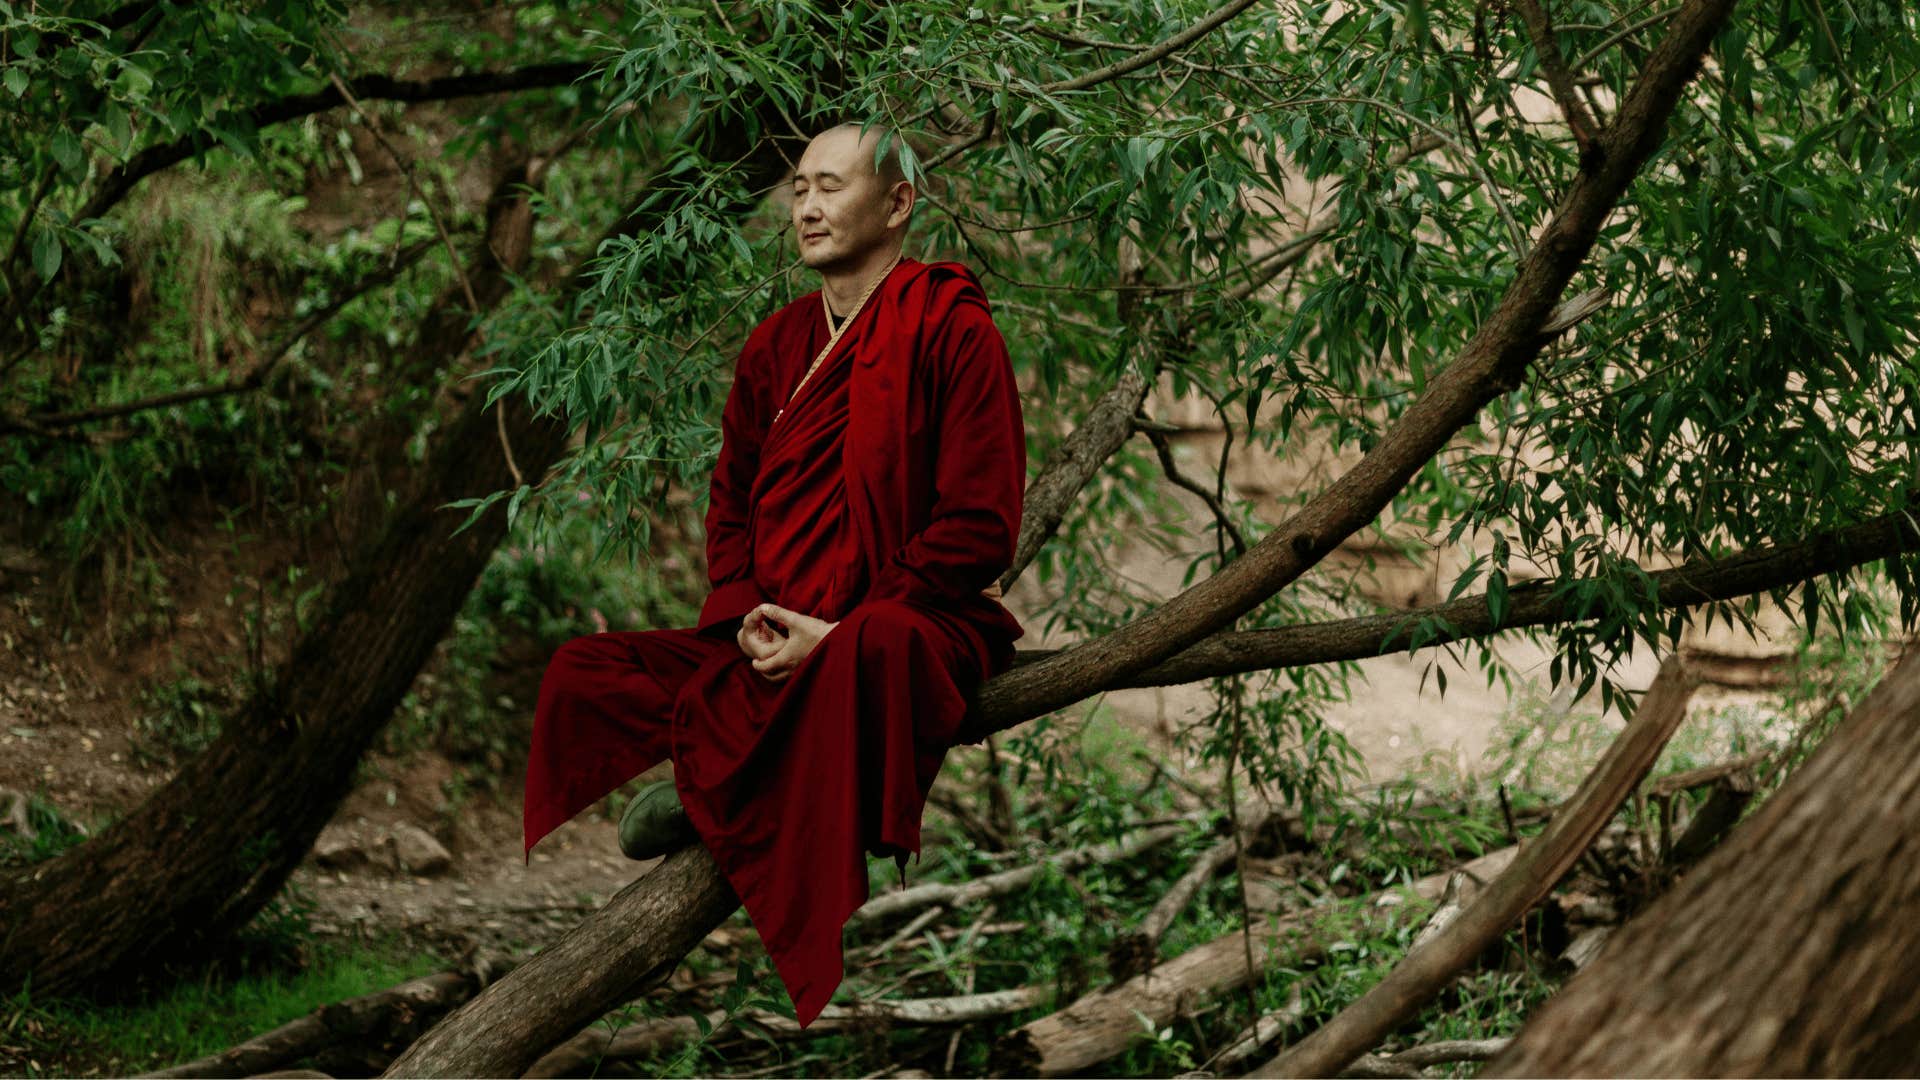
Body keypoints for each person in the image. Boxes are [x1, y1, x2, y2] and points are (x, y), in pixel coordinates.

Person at [520, 120, 1028, 1028]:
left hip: (899, 621)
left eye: (830, 186)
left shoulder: (953, 329)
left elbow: (981, 522)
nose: (807, 207)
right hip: (770, 631)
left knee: (879, 648)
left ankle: (709, 781)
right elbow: (732, 506)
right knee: (585, 673)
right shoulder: (775, 346)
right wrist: (748, 614)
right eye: (798, 188)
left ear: (899, 202)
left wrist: (835, 631)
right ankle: (747, 764)